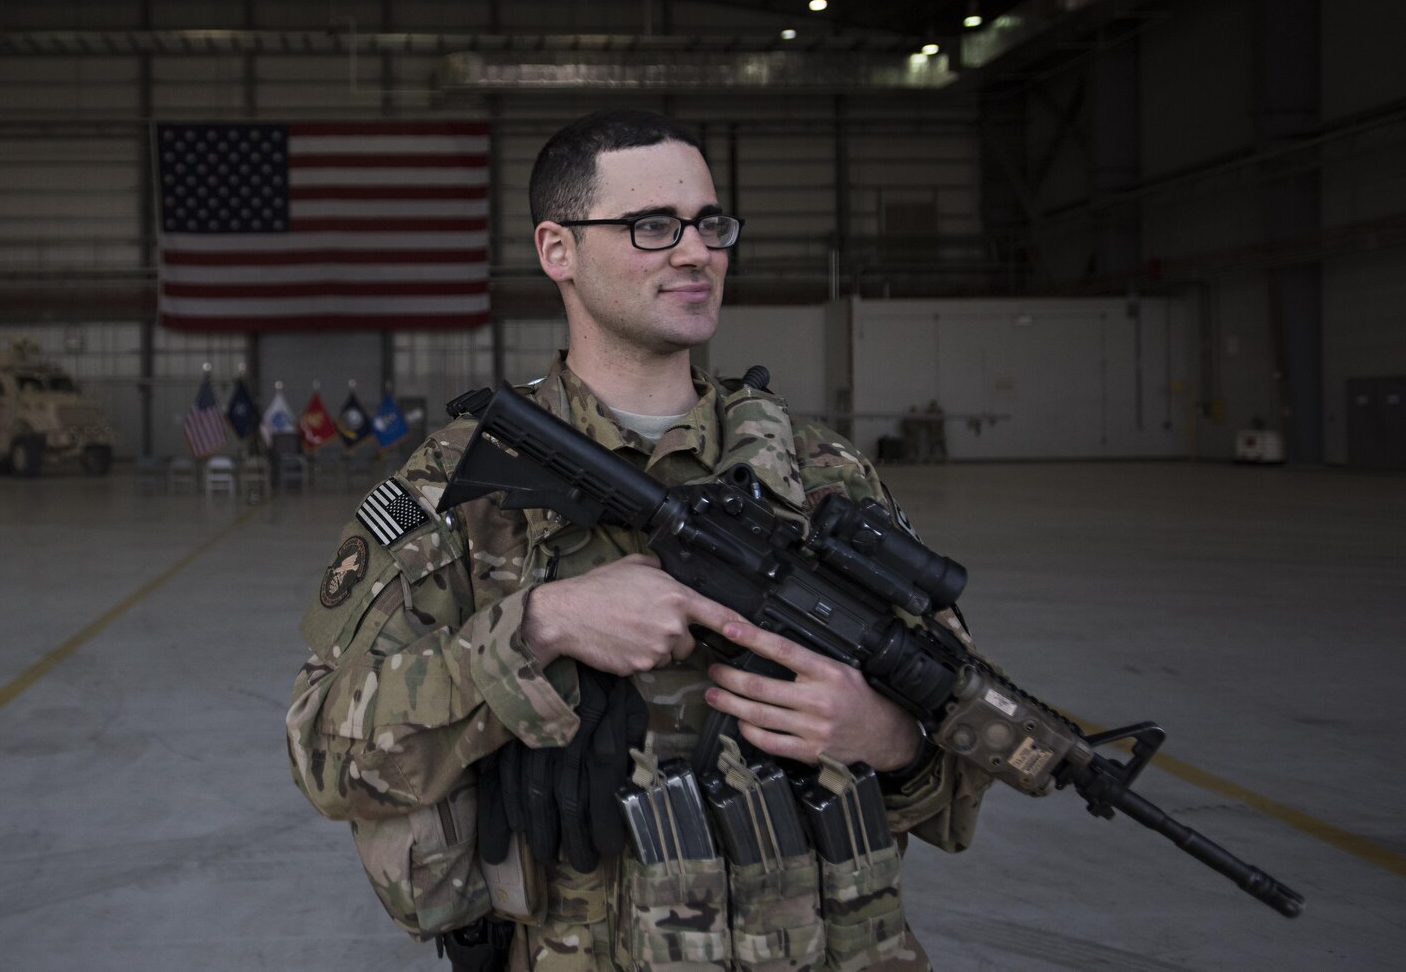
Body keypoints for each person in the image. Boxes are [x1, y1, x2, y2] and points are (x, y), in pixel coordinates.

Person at [286, 110, 992, 971]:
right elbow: (327, 751)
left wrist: (890, 738)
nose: (695, 252)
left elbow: (962, 748)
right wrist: (537, 626)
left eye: (710, 224)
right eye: (652, 226)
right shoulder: (460, 488)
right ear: (558, 251)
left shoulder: (823, 474)